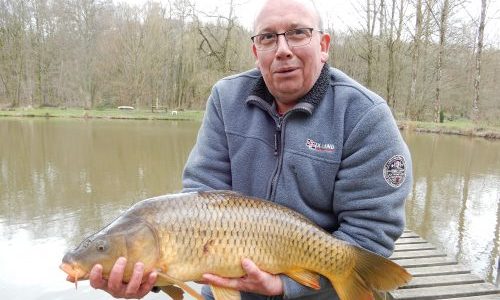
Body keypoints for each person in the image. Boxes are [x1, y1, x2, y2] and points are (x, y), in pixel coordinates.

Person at [81, 0, 413, 299]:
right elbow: (199, 206)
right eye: (267, 37)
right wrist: (152, 276)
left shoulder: (365, 116)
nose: (282, 49)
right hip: (227, 286)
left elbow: (370, 231)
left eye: (298, 33)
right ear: (256, 52)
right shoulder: (226, 99)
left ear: (323, 45)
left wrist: (286, 286)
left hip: (321, 291)